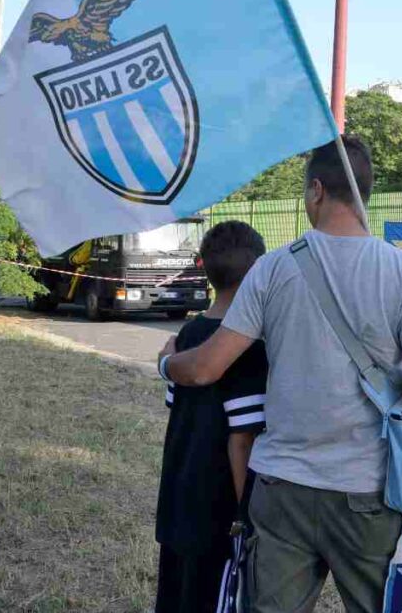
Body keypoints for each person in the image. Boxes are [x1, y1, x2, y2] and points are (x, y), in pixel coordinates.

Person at [163, 136, 402, 613]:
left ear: (316, 190)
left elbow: (205, 367)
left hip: (281, 489)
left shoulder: (272, 268)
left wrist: (166, 363)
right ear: (365, 192)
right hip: (368, 491)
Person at [154, 221, 269, 612]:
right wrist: (246, 516)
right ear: (259, 274)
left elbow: (178, 408)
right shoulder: (249, 348)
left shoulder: (186, 336)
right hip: (218, 513)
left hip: (178, 496)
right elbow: (242, 439)